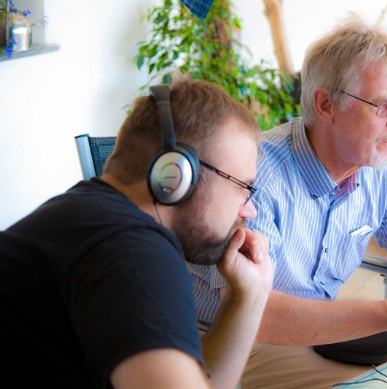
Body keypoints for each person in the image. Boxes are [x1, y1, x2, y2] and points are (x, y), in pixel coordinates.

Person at [189, 13, 387, 388]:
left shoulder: (377, 169)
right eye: (383, 104)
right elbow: (255, 312)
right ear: (326, 104)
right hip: (235, 344)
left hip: (320, 337)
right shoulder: (259, 177)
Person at [0, 75, 272, 389]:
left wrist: (251, 294)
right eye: (243, 187)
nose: (248, 210)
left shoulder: (95, 222)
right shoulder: (129, 249)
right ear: (176, 174)